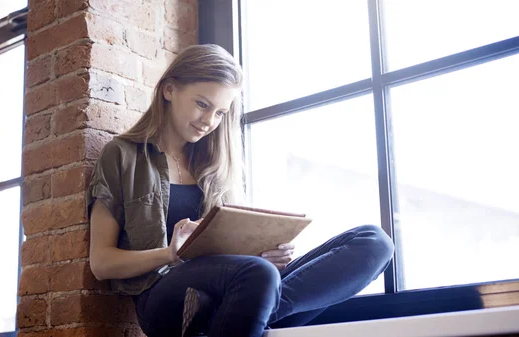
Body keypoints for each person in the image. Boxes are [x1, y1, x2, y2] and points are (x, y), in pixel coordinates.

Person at [87, 44, 395, 337]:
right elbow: (101, 264)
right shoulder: (122, 155)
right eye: (202, 104)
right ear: (169, 90)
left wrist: (267, 252)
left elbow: (235, 255)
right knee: (258, 275)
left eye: (220, 113)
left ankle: (241, 314)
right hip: (163, 296)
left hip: (240, 283)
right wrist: (170, 253)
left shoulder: (216, 164)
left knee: (373, 242)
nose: (209, 121)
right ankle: (248, 308)